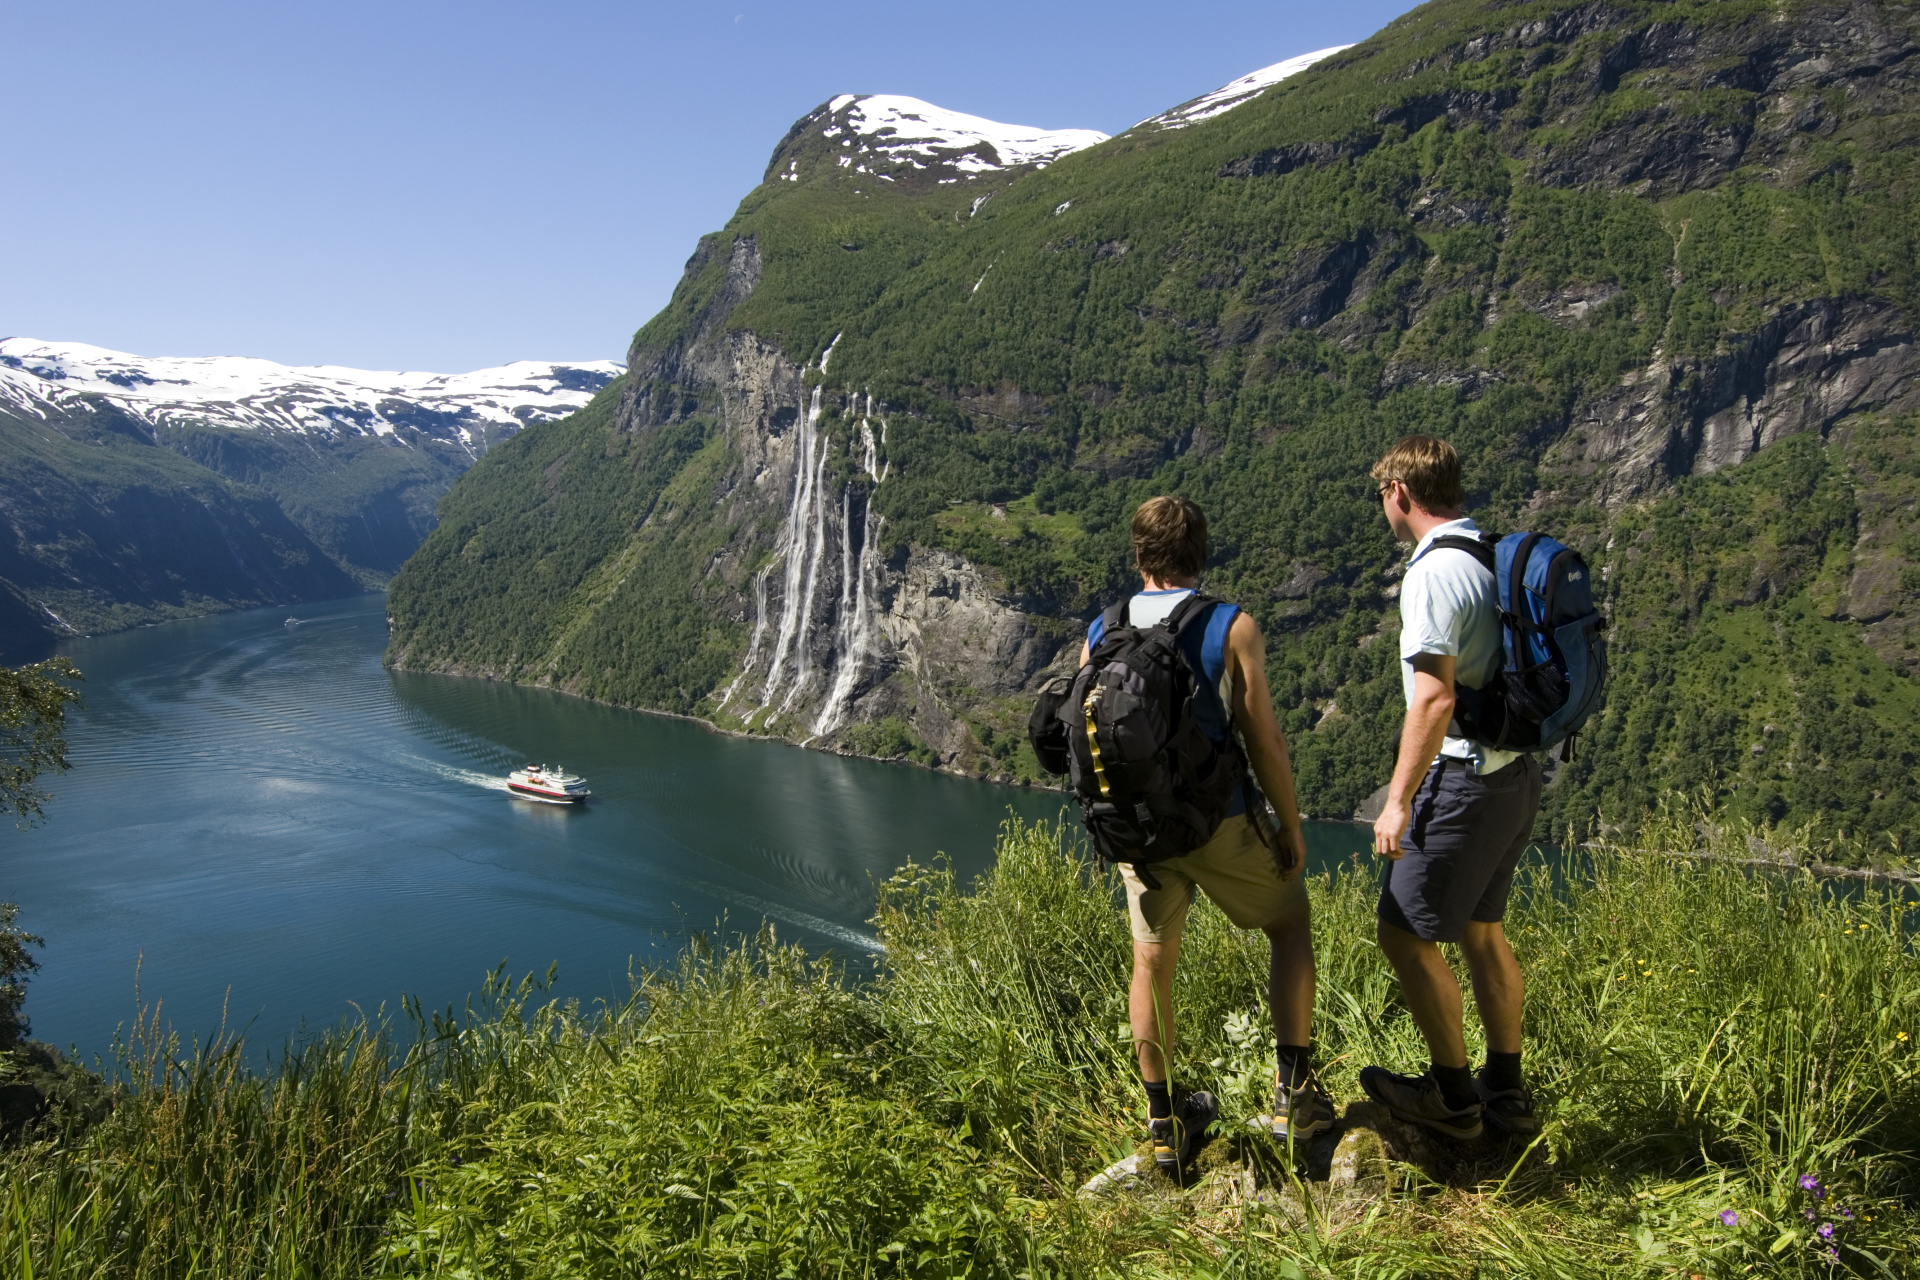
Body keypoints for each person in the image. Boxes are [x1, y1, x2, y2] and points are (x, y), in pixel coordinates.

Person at [1075, 495, 1330, 1171]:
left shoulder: (1103, 629)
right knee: (1289, 925)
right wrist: (1287, 824)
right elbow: (1263, 738)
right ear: (1202, 553)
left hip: (1141, 836)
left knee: (1151, 964)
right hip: (1218, 823)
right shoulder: (1231, 625)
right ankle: (1292, 1093)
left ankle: (1163, 1123)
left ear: (1139, 555)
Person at [1360, 436, 1543, 1140]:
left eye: (1383, 496)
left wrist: (1399, 800)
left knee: (1403, 937)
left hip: (1464, 780)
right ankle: (1505, 1085)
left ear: (1399, 493)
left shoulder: (1433, 573)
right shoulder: (1489, 554)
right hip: (1515, 775)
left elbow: (1433, 700)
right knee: (1480, 930)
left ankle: (1453, 1098)